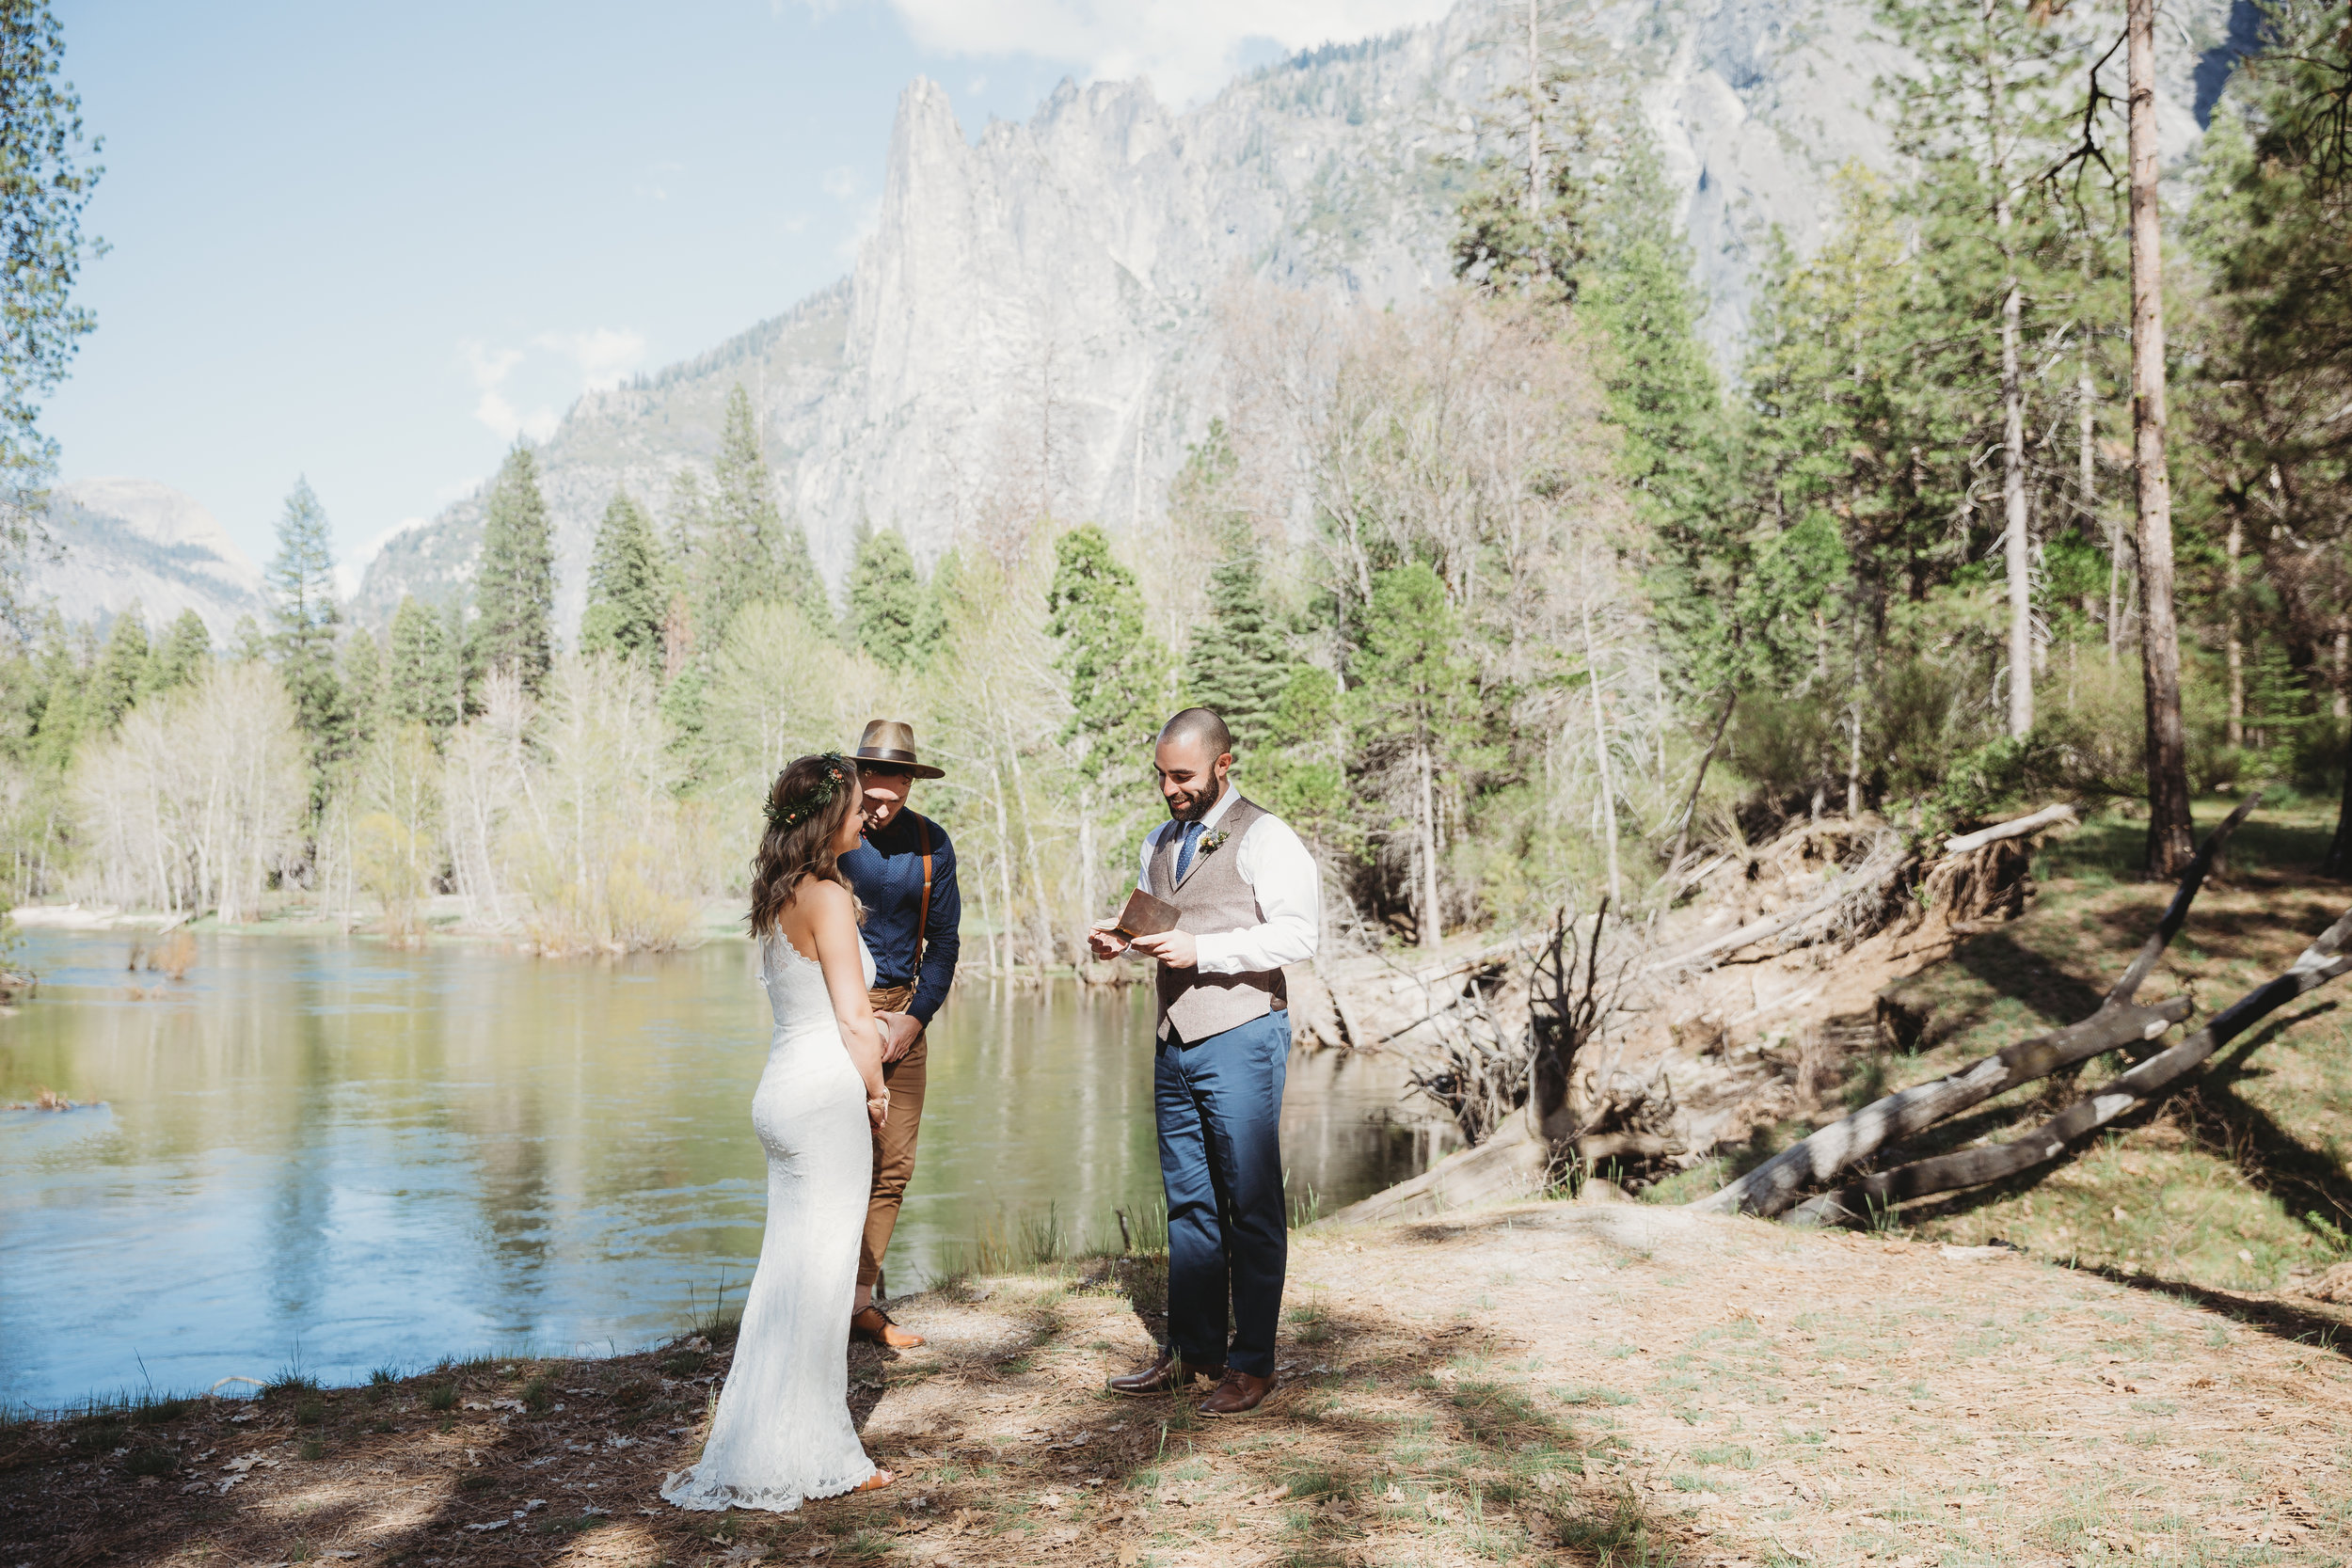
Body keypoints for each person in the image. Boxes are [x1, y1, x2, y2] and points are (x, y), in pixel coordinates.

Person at [661, 752, 896, 1510]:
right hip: (825, 1096)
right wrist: (876, 1081)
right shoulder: (826, 894)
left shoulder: (780, 891)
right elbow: (855, 1018)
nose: (865, 817)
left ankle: (763, 1436)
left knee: (787, 1273)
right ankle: (823, 1451)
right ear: (830, 818)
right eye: (857, 808)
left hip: (780, 1092)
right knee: (823, 1278)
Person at [1089, 706, 1320, 1418]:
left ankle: (1252, 1363)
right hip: (1174, 1040)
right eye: (1161, 774)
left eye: (1182, 775)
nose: (1169, 788)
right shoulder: (1159, 839)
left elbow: (1300, 934)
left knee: (1250, 1204)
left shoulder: (1267, 835)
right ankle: (1193, 1351)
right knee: (1190, 1204)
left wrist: (1207, 953)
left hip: (1244, 1035)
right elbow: (1159, 921)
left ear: (1223, 764)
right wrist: (1119, 940)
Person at [836, 719, 960, 1349]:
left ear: (910, 783)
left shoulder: (934, 845)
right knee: (832, 1159)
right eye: (873, 795)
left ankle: (860, 1304)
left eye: (894, 796)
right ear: (858, 779)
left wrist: (913, 1018)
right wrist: (856, 1018)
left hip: (905, 1011)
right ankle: (816, 1296)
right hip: (836, 1013)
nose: (882, 808)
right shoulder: (830, 838)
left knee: (895, 1164)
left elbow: (944, 946)